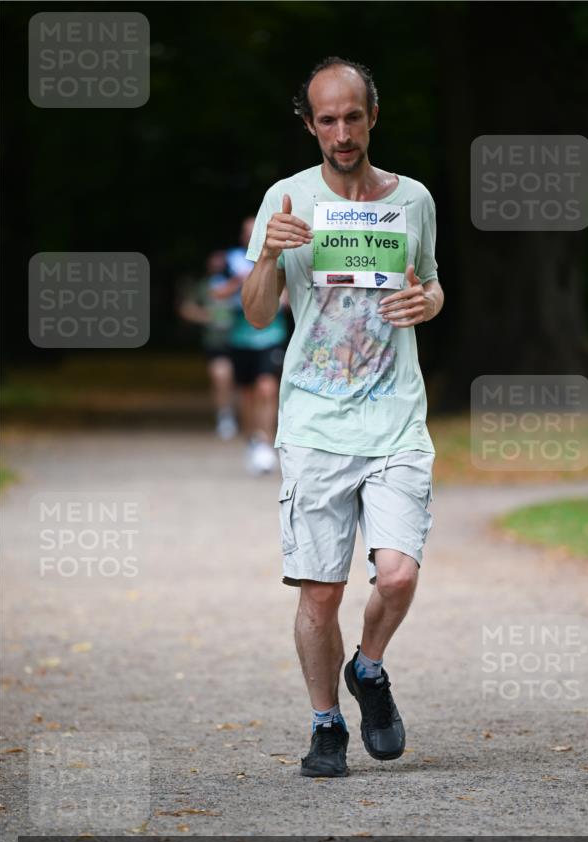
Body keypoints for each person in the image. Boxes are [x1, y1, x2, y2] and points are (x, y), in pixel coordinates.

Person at [242, 57, 444, 777]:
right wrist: (267, 254)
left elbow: (430, 284)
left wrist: (430, 302)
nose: (341, 131)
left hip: (394, 415)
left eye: (352, 116)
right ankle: (326, 724)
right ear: (309, 125)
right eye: (326, 119)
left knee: (395, 576)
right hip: (315, 424)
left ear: (372, 116)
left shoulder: (412, 199)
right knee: (320, 594)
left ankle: (371, 668)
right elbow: (259, 311)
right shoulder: (287, 200)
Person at [226, 217, 288, 475]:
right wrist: (240, 287)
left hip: (271, 335)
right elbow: (216, 294)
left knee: (266, 387)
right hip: (241, 337)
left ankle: (265, 441)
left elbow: (288, 294)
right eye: (247, 232)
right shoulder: (231, 261)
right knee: (247, 394)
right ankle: (253, 439)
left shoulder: (282, 257)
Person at [178, 249, 241, 440]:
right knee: (221, 376)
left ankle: (244, 418)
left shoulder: (242, 283)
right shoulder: (203, 286)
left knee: (240, 383)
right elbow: (186, 309)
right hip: (216, 341)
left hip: (241, 340)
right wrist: (206, 316)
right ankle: (225, 417)